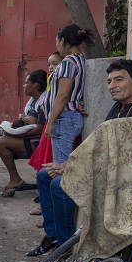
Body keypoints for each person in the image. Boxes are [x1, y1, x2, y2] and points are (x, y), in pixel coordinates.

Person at [27, 58, 132, 257]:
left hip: (127, 176)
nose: (112, 86)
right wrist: (72, 163)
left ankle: (66, 248)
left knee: (59, 184)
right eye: (109, 81)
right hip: (106, 166)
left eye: (119, 80)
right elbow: (101, 144)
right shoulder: (119, 107)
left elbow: (130, 155)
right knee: (43, 175)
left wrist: (73, 166)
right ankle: (53, 236)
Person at [0, 69, 47, 196]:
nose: (24, 86)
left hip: (37, 140)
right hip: (28, 137)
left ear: (36, 85)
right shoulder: (32, 102)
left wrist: (16, 133)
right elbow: (28, 120)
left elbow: (40, 128)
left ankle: (12, 180)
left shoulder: (44, 101)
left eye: (26, 82)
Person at [45, 24, 90, 165]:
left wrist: (50, 122)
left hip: (64, 117)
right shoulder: (81, 59)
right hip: (70, 116)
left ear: (63, 41)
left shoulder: (68, 62)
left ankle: (61, 187)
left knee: (60, 166)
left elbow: (63, 95)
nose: (57, 46)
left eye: (57, 41)